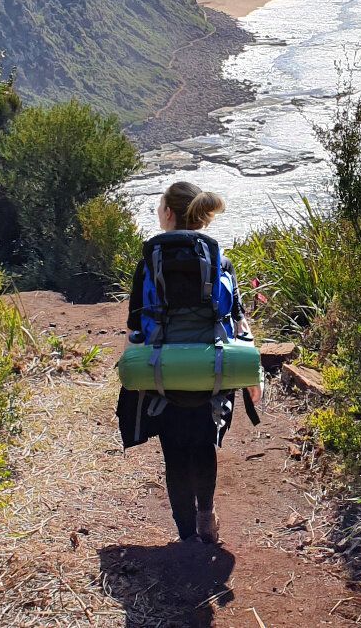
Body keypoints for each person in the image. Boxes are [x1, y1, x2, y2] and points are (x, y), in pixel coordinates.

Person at [117, 180, 256, 545]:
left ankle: (184, 535)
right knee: (204, 445)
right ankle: (206, 516)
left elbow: (134, 324)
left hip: (166, 376)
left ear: (168, 213)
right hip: (211, 372)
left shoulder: (150, 260)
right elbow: (237, 318)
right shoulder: (219, 260)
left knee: (174, 452)